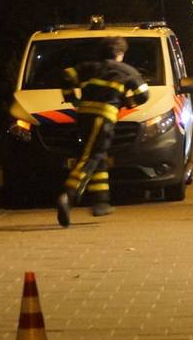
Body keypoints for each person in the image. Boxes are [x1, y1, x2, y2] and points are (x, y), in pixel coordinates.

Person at [56, 36, 149, 227]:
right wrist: (126, 103)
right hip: (103, 118)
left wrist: (71, 98)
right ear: (120, 53)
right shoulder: (127, 71)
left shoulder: (90, 67)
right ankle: (68, 195)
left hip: (83, 117)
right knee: (90, 157)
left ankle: (101, 202)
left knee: (99, 157)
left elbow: (66, 75)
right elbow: (144, 94)